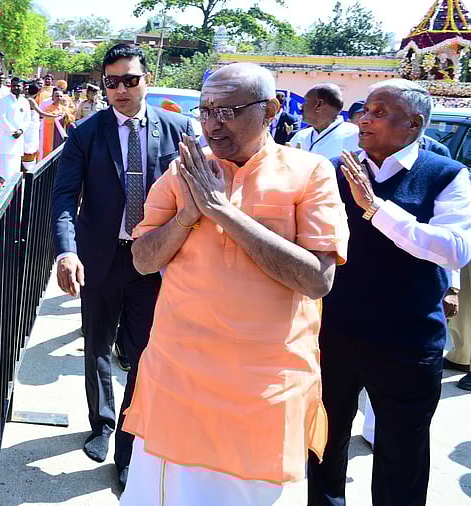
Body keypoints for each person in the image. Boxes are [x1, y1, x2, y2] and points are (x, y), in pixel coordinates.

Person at [119, 62, 348, 503]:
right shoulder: (184, 170)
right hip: (180, 378)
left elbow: (317, 280)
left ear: (271, 110)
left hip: (264, 388)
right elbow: (143, 261)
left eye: (228, 110)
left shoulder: (311, 172)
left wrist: (225, 212)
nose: (212, 124)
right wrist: (189, 215)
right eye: (206, 110)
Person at [308, 79, 471, 506]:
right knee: (324, 446)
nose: (364, 118)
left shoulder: (447, 175)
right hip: (334, 333)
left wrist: (376, 207)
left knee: (402, 455)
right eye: (365, 111)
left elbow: (454, 249)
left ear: (414, 123)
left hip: (407, 340)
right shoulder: (332, 171)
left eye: (379, 112)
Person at [51, 42, 193, 489]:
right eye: (111, 82)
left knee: (143, 355)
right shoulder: (85, 134)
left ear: (146, 78)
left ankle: (130, 443)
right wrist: (66, 251)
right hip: (99, 259)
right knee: (97, 346)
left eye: (130, 80)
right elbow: (62, 199)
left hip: (154, 262)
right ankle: (103, 424)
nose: (120, 90)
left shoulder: (178, 130)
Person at [290, 83, 359, 159]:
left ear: (319, 104)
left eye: (306, 101)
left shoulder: (354, 135)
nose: (301, 107)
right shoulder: (300, 136)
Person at [0, 77, 30, 179]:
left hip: (18, 140)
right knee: (4, 170)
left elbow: (27, 120)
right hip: (6, 140)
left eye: (18, 85)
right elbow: (2, 118)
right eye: (13, 85)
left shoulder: (25, 102)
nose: (16, 87)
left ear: (22, 87)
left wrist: (21, 131)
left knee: (15, 169)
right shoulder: (4, 101)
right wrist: (12, 132)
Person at [40, 87, 75, 158]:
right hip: (51, 135)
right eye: (57, 96)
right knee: (49, 155)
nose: (59, 98)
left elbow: (72, 119)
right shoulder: (48, 108)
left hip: (61, 135)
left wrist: (66, 115)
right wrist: (56, 116)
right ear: (53, 98)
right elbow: (47, 119)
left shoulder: (64, 108)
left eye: (60, 96)